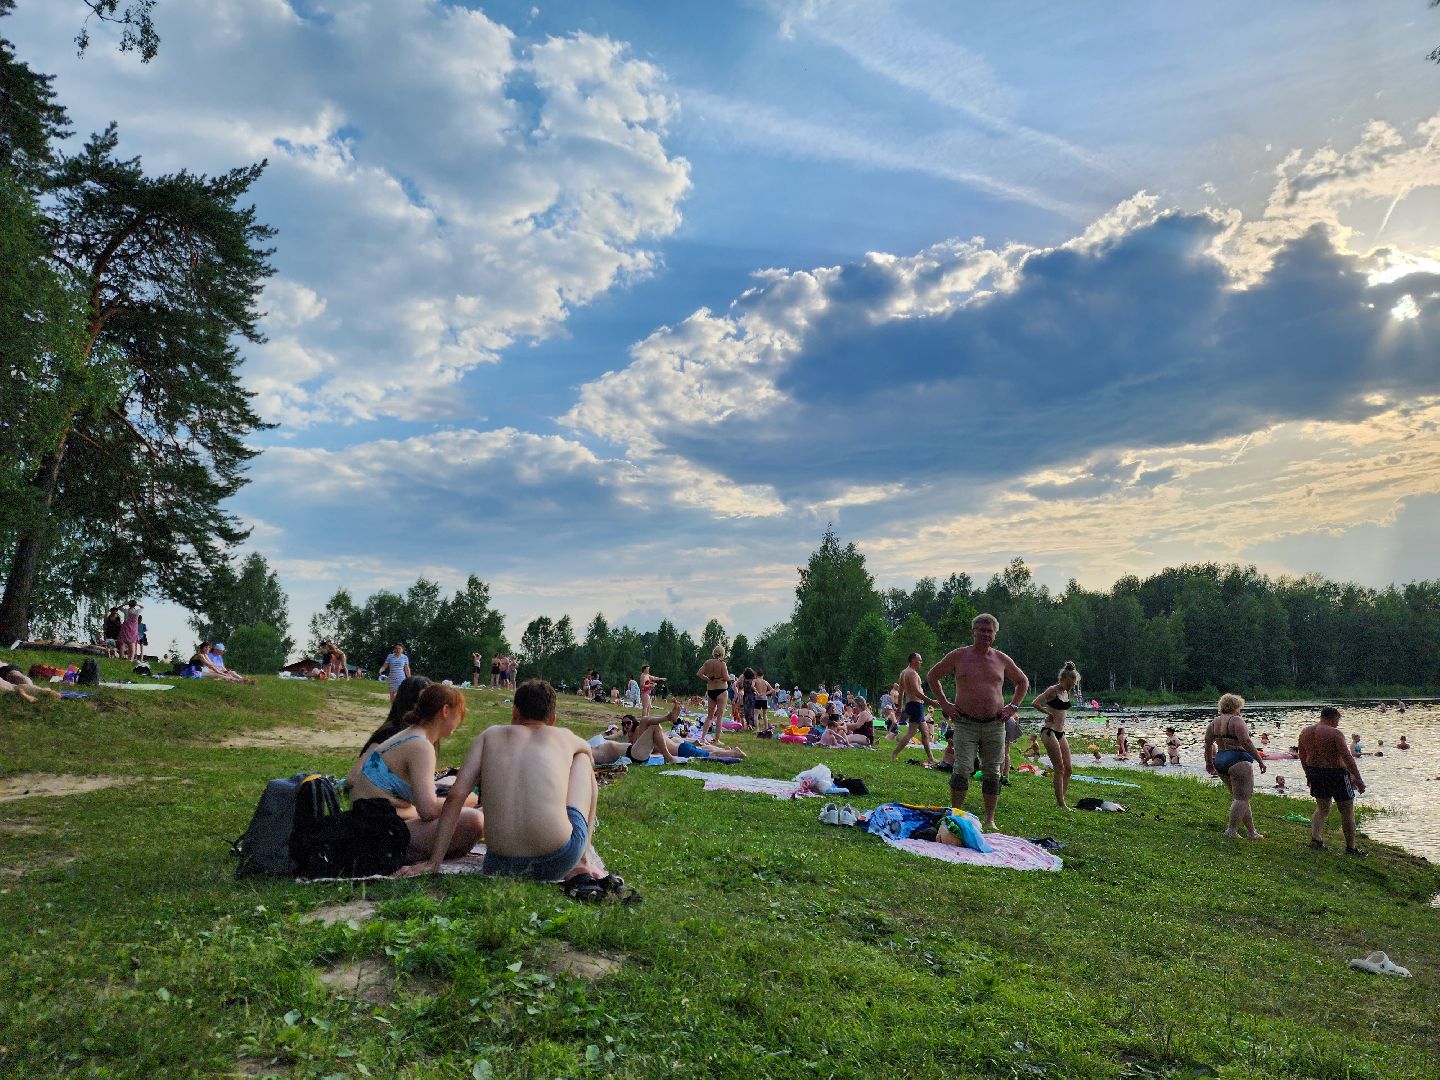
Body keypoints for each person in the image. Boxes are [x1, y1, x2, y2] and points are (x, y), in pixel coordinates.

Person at [399, 679, 598, 882]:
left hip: (500, 864)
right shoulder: (564, 736)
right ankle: (582, 861)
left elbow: (456, 796)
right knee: (582, 758)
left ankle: (579, 858)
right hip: (558, 860)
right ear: (553, 719)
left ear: (515, 712)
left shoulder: (489, 735)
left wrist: (435, 862)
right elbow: (589, 752)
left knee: (580, 756)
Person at [341, 683, 483, 868]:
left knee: (466, 802)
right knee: (473, 819)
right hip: (380, 834)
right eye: (460, 713)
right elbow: (428, 811)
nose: (461, 719)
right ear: (445, 710)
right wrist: (464, 801)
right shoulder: (420, 745)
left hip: (370, 824)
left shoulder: (409, 734)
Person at [927, 614, 1029, 831]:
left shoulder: (1001, 659)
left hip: (995, 724)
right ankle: (956, 813)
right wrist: (944, 703)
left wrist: (1013, 707)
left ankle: (990, 819)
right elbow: (933, 675)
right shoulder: (959, 656)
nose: (985, 634)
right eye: (981, 630)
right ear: (973, 632)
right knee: (962, 767)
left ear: (995, 634)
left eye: (989, 631)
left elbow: (1022, 681)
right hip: (965, 722)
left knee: (993, 772)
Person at [1298, 706, 1367, 855]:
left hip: (1315, 772)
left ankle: (1316, 839)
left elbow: (1302, 756)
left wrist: (1308, 774)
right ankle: (1351, 847)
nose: (1338, 724)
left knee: (1322, 808)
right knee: (1347, 810)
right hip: (1336, 774)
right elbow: (1347, 757)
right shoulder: (1335, 733)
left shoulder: (1305, 732)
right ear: (1332, 718)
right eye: (1337, 720)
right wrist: (1359, 779)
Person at [1203, 693, 1266, 840]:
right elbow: (1246, 742)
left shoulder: (1214, 723)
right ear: (1235, 706)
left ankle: (1252, 832)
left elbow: (1207, 745)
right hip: (1238, 759)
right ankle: (1231, 830)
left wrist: (1209, 763)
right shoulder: (1237, 720)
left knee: (1241, 798)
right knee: (1242, 798)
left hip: (1221, 759)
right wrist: (1259, 760)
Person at [1032, 660, 1079, 810]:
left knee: (1069, 769)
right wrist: (1047, 713)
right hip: (1049, 731)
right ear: (1063, 679)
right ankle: (1061, 803)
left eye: (1073, 684)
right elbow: (1036, 702)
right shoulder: (1052, 690)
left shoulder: (1067, 692)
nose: (1071, 686)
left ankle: (1061, 799)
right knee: (1059, 768)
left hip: (1061, 732)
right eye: (1069, 683)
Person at [892, 652, 940, 764]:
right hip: (915, 705)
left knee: (925, 733)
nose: (921, 662)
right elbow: (916, 692)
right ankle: (894, 753)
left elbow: (901, 691)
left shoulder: (903, 672)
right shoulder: (912, 673)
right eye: (919, 660)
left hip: (912, 704)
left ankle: (931, 758)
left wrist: (899, 707)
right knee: (911, 733)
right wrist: (931, 701)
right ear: (913, 660)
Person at [696, 646, 729, 744]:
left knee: (709, 716)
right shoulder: (722, 664)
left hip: (710, 690)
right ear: (722, 654)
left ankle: (702, 738)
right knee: (719, 716)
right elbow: (726, 677)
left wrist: (708, 679)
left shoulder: (708, 662)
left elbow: (699, 673)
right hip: (721, 690)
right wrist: (726, 679)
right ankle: (717, 739)